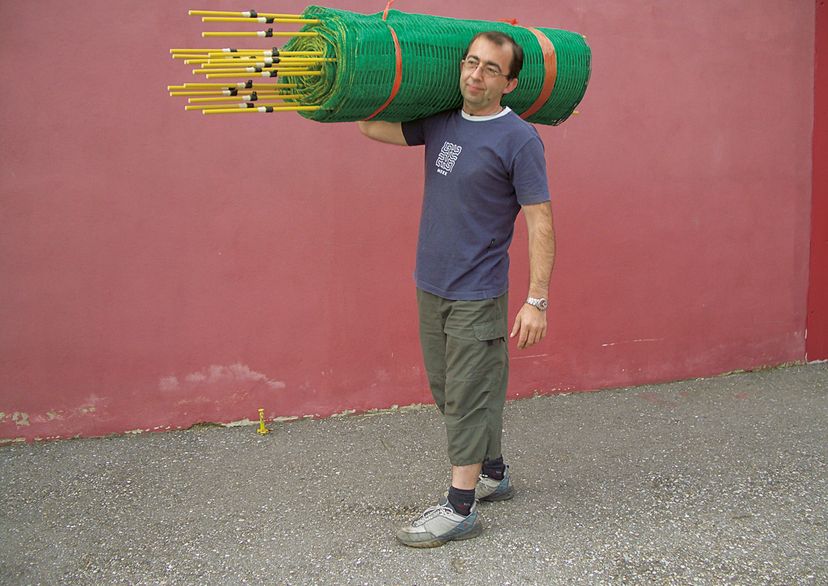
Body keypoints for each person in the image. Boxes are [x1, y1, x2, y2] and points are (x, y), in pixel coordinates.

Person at [357, 30, 556, 548]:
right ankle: (494, 471)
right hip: (431, 282)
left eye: (491, 68)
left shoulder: (520, 139)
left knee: (467, 395)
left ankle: (461, 506)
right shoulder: (441, 121)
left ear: (509, 82)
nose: (476, 74)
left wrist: (537, 300)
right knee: (450, 391)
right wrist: (357, 79)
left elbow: (540, 222)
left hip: (478, 290)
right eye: (471, 62)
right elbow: (370, 126)